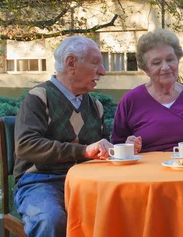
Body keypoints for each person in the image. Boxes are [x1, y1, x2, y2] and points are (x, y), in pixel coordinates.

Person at [13, 36, 112, 237]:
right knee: (51, 219)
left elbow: (103, 146)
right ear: (71, 63)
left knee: (121, 211)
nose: (102, 71)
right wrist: (83, 151)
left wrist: (120, 147)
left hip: (86, 183)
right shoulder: (38, 98)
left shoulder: (95, 106)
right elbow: (26, 145)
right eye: (95, 63)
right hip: (39, 182)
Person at [111, 28, 183, 153]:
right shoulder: (131, 101)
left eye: (170, 59)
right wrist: (128, 146)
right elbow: (116, 146)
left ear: (178, 60)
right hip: (147, 171)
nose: (166, 67)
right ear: (146, 69)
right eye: (156, 63)